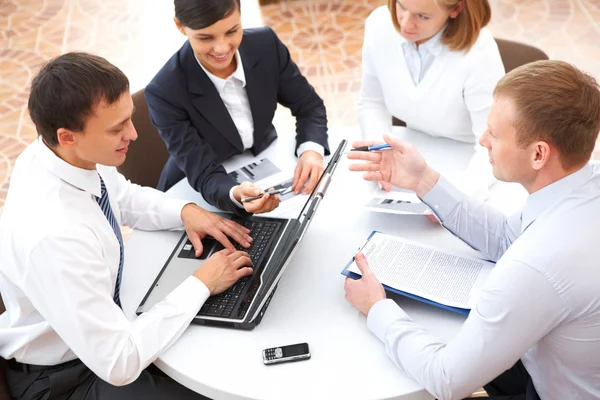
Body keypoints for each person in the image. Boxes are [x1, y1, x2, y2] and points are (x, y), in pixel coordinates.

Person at [0, 52, 256, 399]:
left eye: (129, 120)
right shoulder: (55, 235)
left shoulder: (62, 153)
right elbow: (119, 361)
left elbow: (121, 196)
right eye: (116, 128)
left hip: (109, 333)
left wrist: (186, 211)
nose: (133, 134)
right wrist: (201, 283)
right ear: (68, 136)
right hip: (70, 377)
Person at [346, 60, 600, 400]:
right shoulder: (582, 181)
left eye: (494, 134)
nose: (482, 141)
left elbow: (446, 380)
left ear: (539, 154)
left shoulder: (537, 265)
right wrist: (423, 180)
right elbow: (510, 238)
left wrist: (376, 308)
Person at [146, 0, 330, 216]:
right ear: (180, 26)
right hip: (196, 192)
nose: (222, 49)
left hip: (262, 159)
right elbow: (204, 174)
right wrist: (234, 194)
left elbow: (309, 105)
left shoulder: (265, 44)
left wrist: (311, 150)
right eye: (205, 37)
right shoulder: (164, 91)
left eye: (232, 31)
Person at [359, 0, 504, 195]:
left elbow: (495, 143)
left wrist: (459, 199)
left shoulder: (479, 54)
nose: (405, 24)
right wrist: (380, 150)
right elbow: (372, 102)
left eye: (422, 16)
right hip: (414, 150)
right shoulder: (379, 24)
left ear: (455, 8)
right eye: (401, 6)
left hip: (473, 163)